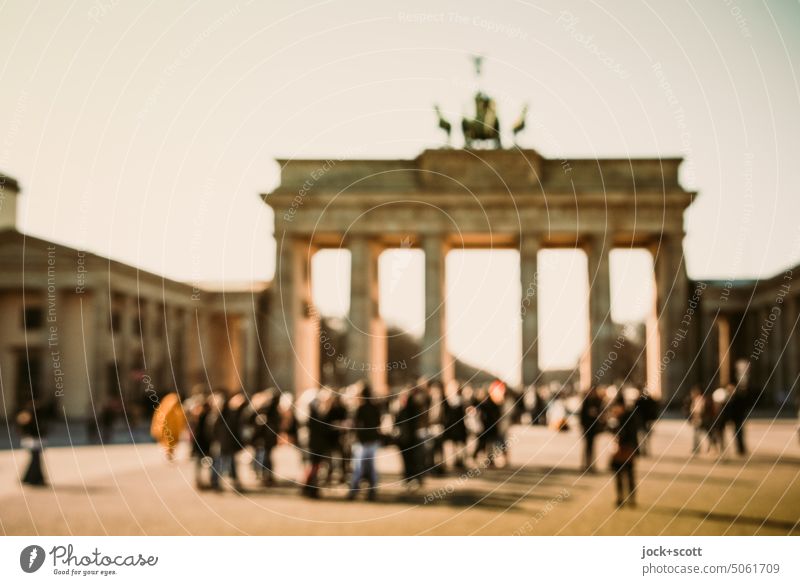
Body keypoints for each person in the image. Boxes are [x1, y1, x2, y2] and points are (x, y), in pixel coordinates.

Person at [348, 384, 381, 500]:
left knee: (358, 468)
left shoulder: (359, 409)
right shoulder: (375, 408)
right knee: (370, 468)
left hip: (362, 442)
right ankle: (372, 490)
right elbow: (378, 423)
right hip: (372, 441)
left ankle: (353, 491)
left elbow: (355, 426)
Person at [608, 397, 639, 508]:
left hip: (627, 450)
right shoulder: (615, 418)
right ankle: (620, 497)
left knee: (629, 475)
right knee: (618, 476)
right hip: (618, 452)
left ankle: (632, 498)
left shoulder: (629, 418)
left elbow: (632, 435)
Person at [395, 386, 426, 489]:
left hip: (412, 440)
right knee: (406, 462)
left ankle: (415, 479)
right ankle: (408, 479)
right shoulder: (401, 409)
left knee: (414, 461)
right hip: (403, 441)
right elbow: (397, 424)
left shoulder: (413, 409)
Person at [17, 399, 51, 486]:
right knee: (36, 461)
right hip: (33, 441)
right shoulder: (29, 416)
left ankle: (30, 478)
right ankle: (34, 479)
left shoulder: (31, 416)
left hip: (34, 441)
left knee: (35, 460)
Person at [443, 382, 468, 469]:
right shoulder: (447, 400)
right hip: (452, 427)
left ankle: (460, 460)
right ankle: (456, 461)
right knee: (453, 444)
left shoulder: (461, 400)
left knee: (459, 445)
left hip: (459, 426)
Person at [579, 385, 604, 472]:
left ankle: (591, 464)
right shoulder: (586, 401)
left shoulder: (598, 401)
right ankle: (585, 464)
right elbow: (582, 414)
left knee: (592, 446)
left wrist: (596, 414)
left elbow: (602, 412)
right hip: (587, 426)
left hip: (594, 427)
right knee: (587, 446)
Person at [726, 383, 749, 456]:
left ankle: (741, 449)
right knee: (737, 434)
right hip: (736, 419)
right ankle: (740, 449)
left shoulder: (737, 398)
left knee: (739, 434)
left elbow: (740, 409)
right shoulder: (732, 398)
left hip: (738, 419)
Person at [686, 385, 706, 455]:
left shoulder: (699, 400)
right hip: (697, 419)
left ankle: (697, 448)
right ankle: (696, 447)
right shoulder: (696, 399)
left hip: (697, 419)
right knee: (696, 434)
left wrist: (695, 418)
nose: (691, 394)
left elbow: (697, 411)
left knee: (697, 434)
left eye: (692, 392)